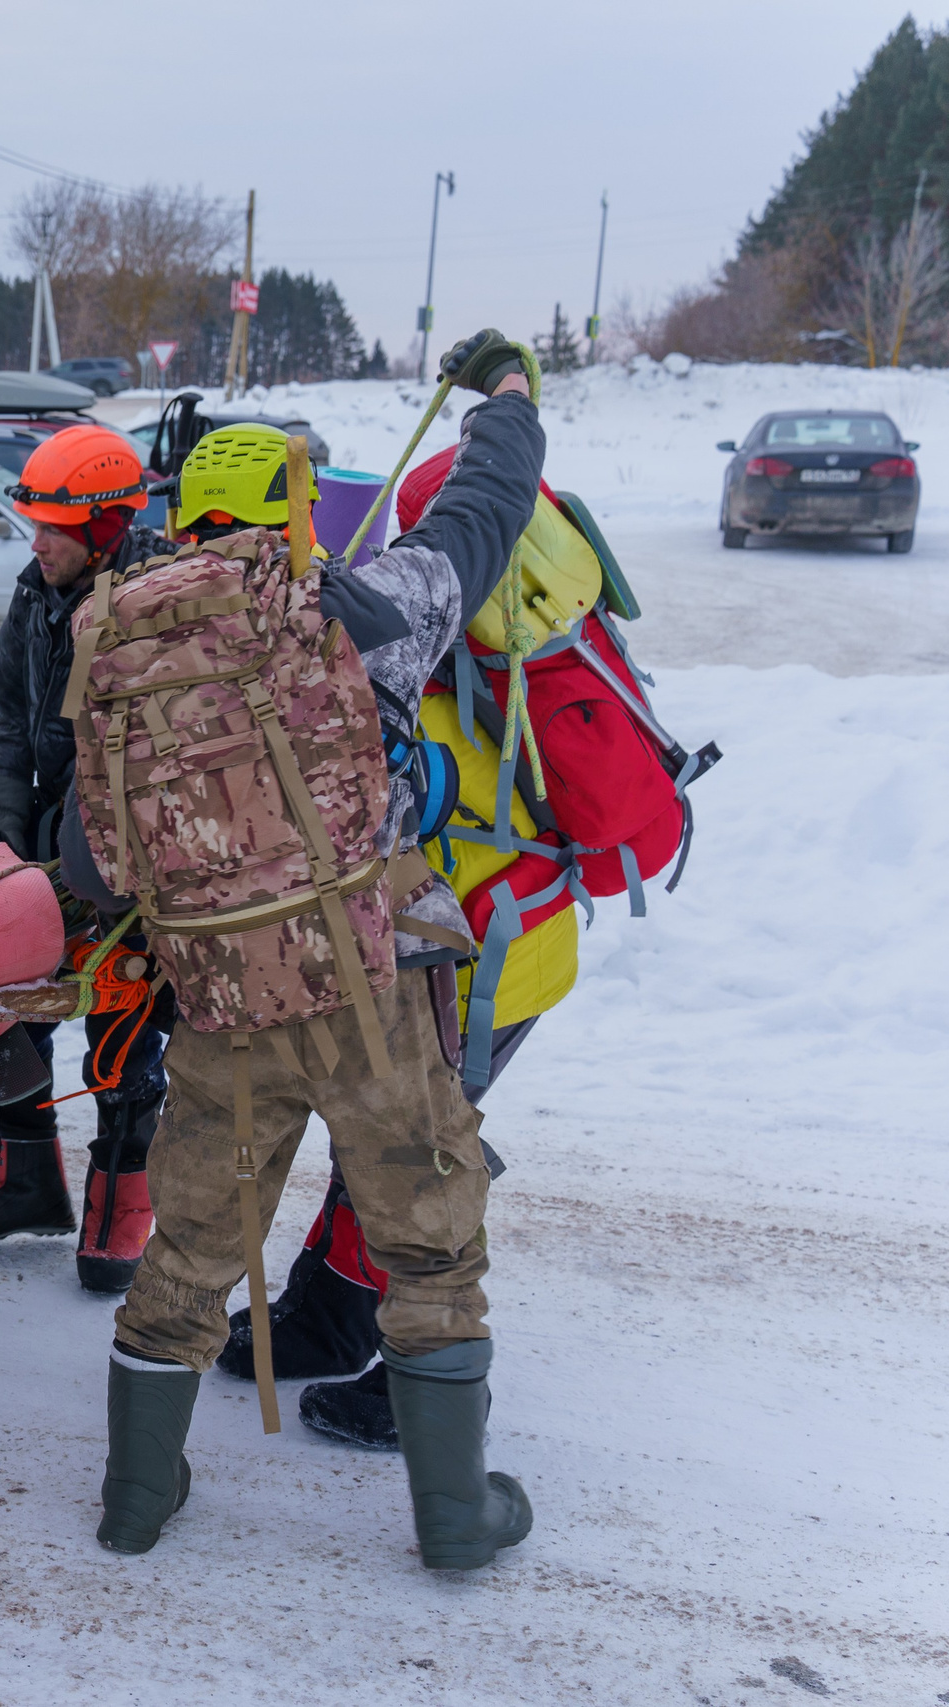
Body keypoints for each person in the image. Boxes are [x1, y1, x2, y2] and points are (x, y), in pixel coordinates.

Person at [93, 331, 546, 1572]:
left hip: (219, 999)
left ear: (185, 518)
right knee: (429, 1240)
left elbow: (104, 853)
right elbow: (485, 506)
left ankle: (136, 1499)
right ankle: (454, 1518)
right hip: (368, 992)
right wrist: (502, 397)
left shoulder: (108, 645)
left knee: (185, 1248)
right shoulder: (360, 609)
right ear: (294, 515)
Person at [215, 444, 592, 1449]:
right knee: (374, 1139)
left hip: (475, 959)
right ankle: (331, 1312)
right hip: (479, 944)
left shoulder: (379, 656)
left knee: (414, 1158)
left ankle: (424, 1387)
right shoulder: (429, 635)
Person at [0, 427, 175, 1292]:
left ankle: (124, 1203)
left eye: (53, 526)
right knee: (14, 1004)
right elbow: (8, 720)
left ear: (110, 523)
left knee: (122, 1023)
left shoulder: (160, 597)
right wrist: (5, 836)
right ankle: (26, 1175)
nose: (35, 540)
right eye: (32, 523)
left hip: (137, 849)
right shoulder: (34, 592)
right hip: (49, 833)